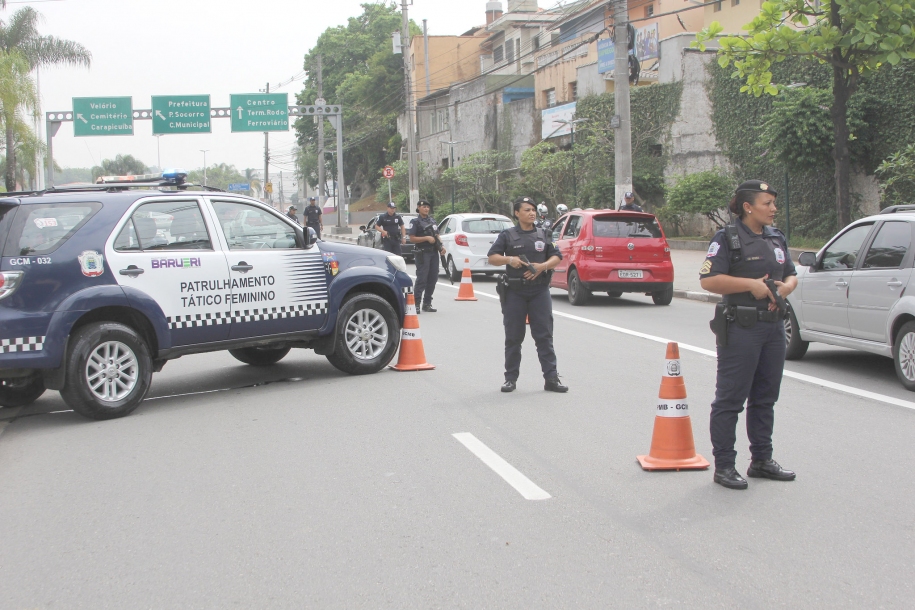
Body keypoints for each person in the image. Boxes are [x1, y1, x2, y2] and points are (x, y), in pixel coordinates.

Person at [699, 179, 798, 490]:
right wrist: (750, 285)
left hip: (773, 326)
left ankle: (761, 460)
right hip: (741, 327)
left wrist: (788, 286)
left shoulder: (775, 237)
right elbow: (708, 280)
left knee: (766, 396)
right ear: (747, 206)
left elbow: (791, 273)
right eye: (767, 203)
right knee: (730, 398)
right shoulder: (728, 237)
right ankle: (725, 465)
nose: (773, 209)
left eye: (773, 203)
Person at [487, 196, 567, 393]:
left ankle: (551, 378)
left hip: (539, 291)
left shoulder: (544, 233)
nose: (531, 213)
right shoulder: (507, 235)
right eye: (526, 210)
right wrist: (509, 260)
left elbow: (557, 256)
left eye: (533, 209)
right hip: (515, 292)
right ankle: (510, 379)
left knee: (544, 336)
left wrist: (543, 266)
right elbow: (492, 258)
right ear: (516, 213)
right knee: (514, 337)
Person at [408, 200, 445, 313]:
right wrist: (426, 238)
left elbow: (437, 234)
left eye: (428, 207)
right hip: (422, 253)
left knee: (433, 279)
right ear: (418, 207)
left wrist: (441, 246)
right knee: (422, 279)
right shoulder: (415, 222)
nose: (426, 209)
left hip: (433, 252)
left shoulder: (432, 220)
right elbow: (412, 238)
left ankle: (427, 303)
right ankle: (416, 304)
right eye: (424, 207)